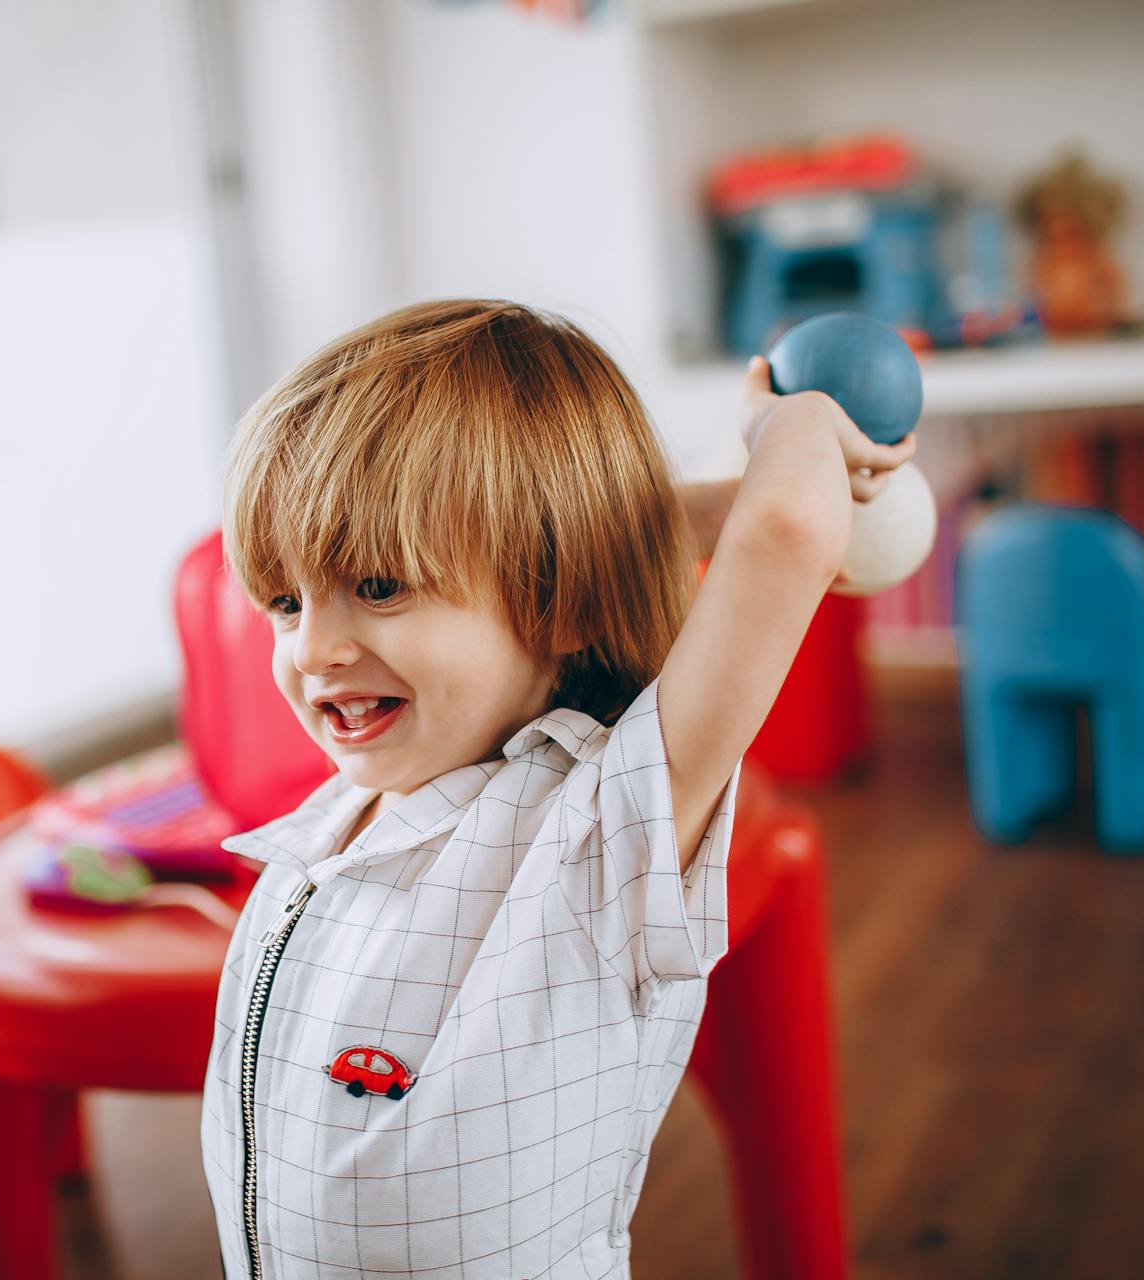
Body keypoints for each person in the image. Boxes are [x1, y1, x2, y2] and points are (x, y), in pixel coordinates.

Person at [199, 299, 915, 1278]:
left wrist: (789, 426)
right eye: (285, 601)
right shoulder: (327, 827)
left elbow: (787, 526)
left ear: (561, 597)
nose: (314, 647)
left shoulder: (594, 827)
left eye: (377, 587)